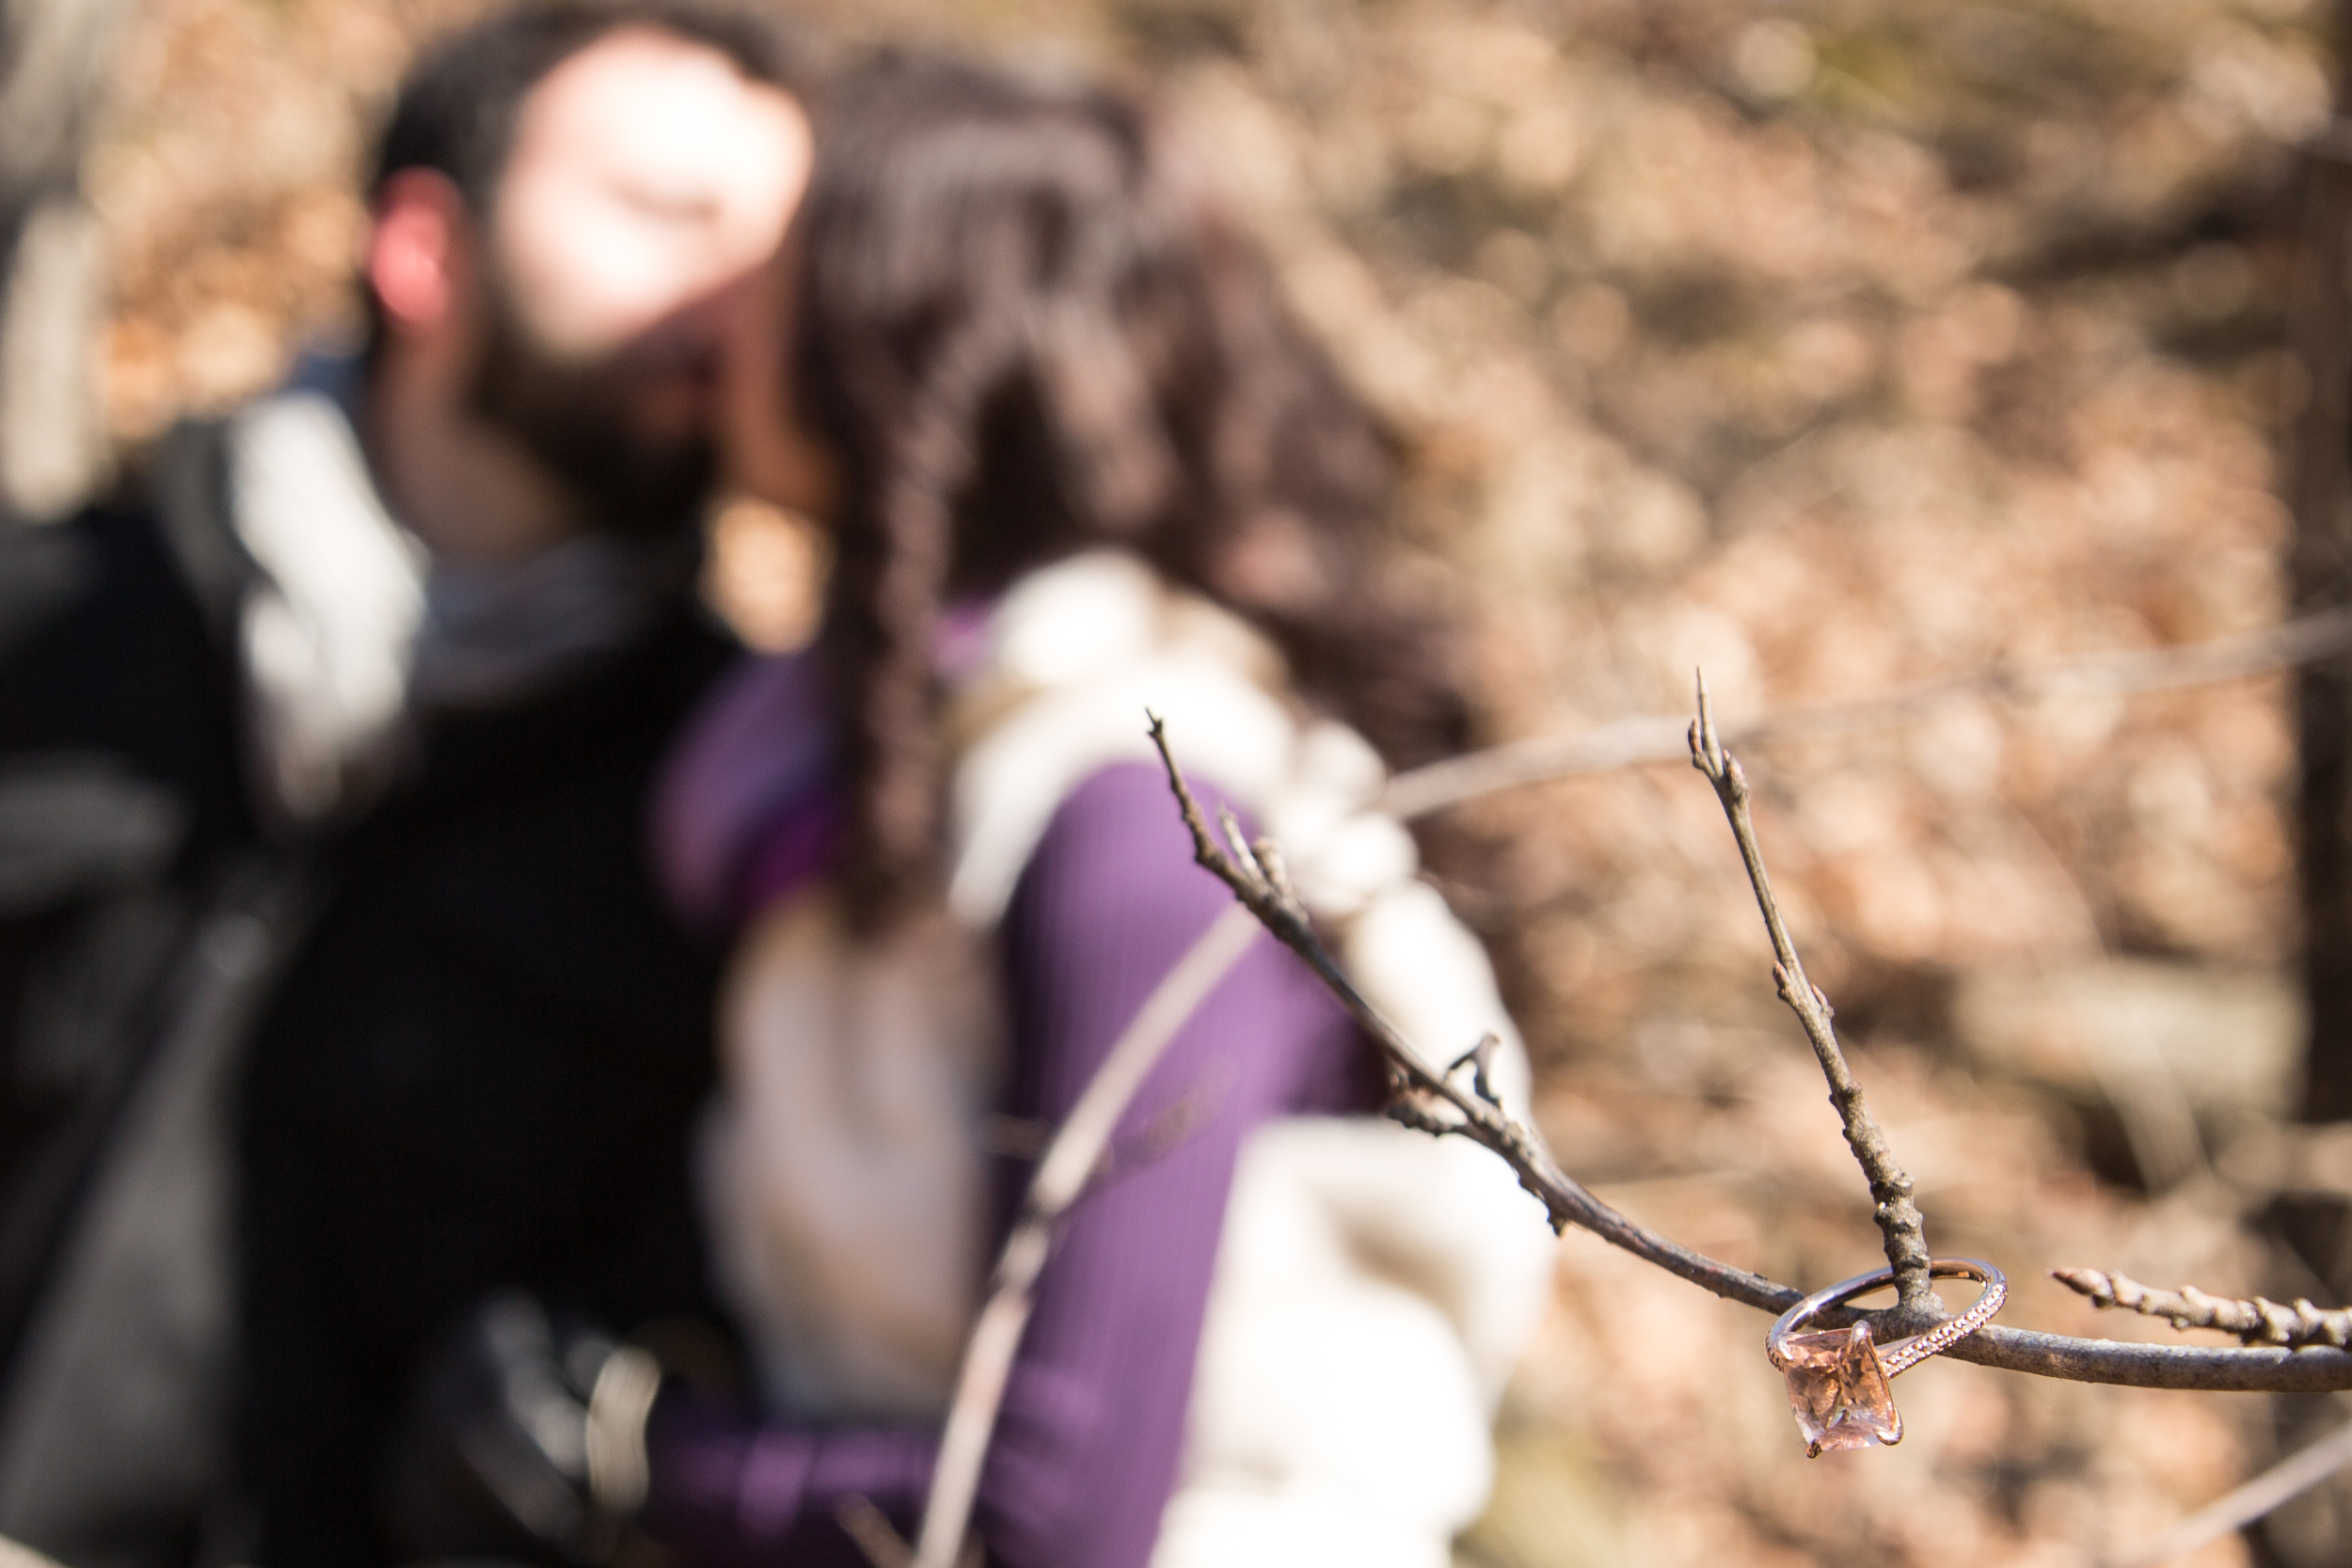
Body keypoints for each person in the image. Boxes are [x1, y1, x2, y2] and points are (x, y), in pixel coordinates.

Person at [615, 54, 1558, 1568]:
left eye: (772, 269)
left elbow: (1061, 1518)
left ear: (893, 324)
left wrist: (643, 1463)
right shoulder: (877, 761)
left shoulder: (1136, 807)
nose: (720, 317)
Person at [0, 5, 817, 1564]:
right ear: (424, 251)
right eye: (667, 213)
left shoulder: (735, 812)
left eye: (772, 252)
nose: (729, 296)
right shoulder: (53, 624)